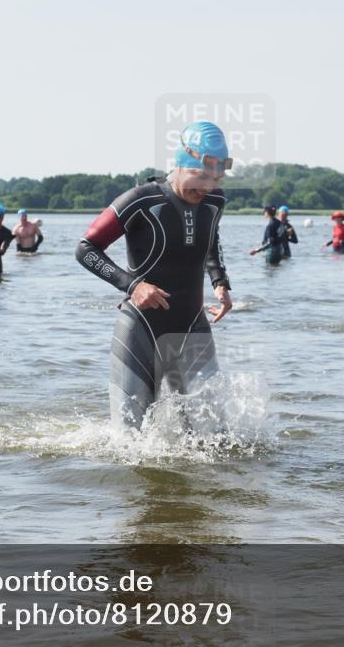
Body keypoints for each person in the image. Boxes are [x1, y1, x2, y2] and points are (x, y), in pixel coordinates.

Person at [75, 120, 233, 429]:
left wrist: (220, 281)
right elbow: (86, 248)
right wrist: (133, 286)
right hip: (141, 330)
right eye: (200, 176)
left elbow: (211, 240)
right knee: (130, 442)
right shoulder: (141, 200)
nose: (208, 186)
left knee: (217, 437)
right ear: (180, 164)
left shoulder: (215, 201)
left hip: (192, 327)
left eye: (216, 178)